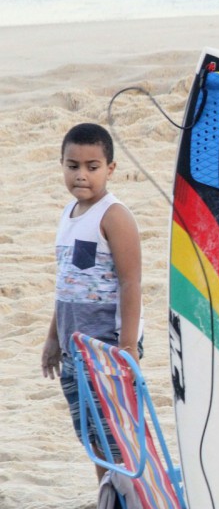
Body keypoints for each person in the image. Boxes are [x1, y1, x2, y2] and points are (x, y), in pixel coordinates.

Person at [41, 122, 143, 485]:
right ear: (62, 165)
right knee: (90, 428)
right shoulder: (68, 216)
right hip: (73, 348)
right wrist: (53, 338)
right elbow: (65, 284)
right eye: (73, 166)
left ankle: (126, 499)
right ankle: (106, 493)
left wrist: (127, 347)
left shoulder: (114, 216)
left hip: (106, 346)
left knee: (114, 428)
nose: (81, 175)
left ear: (110, 169)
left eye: (92, 166)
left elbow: (132, 283)